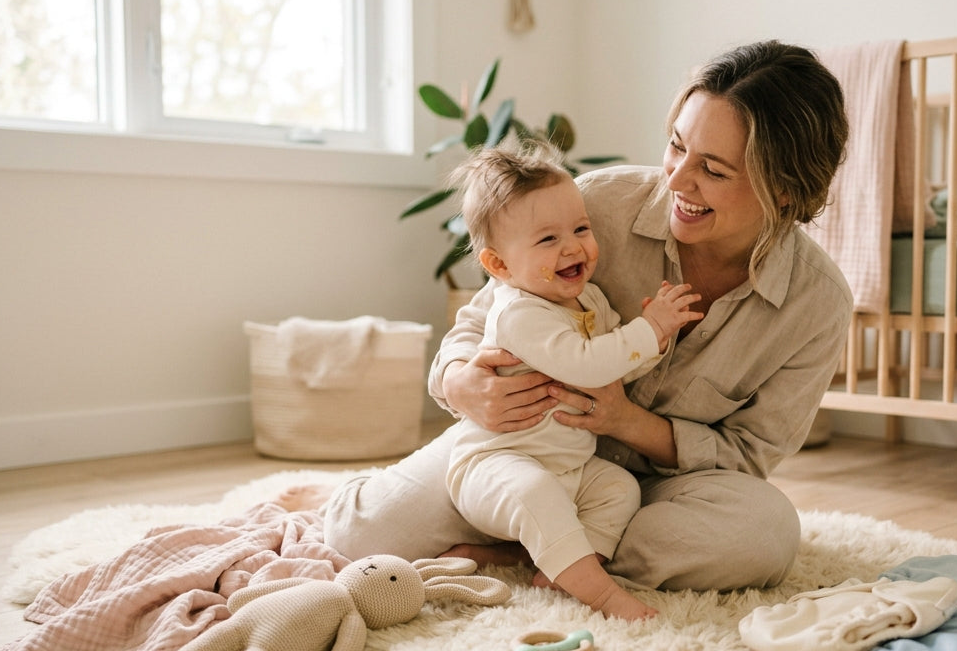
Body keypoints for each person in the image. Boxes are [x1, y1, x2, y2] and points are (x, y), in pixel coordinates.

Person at [310, 40, 853, 593]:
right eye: (676, 146)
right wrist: (461, 382)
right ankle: (555, 549)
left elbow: (746, 456)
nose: (676, 179)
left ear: (784, 191)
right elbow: (480, 320)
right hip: (522, 447)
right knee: (361, 534)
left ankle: (532, 553)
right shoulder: (593, 206)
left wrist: (624, 421)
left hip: (651, 492)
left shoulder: (816, 304)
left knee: (764, 534)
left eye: (712, 170)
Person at [442, 141, 701, 619]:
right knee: (534, 494)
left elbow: (614, 368)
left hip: (568, 466)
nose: (573, 246)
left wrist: (654, 345)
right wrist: (649, 329)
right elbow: (586, 365)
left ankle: (543, 563)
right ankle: (600, 594)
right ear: (500, 266)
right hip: (497, 464)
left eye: (581, 228)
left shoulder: (591, 300)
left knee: (620, 489)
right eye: (547, 240)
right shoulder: (521, 314)